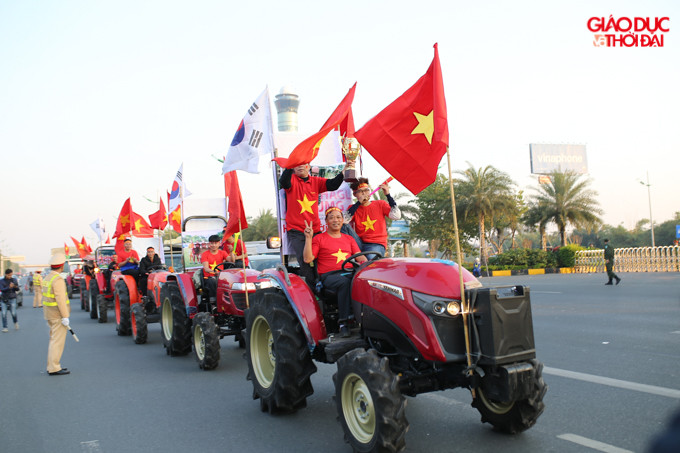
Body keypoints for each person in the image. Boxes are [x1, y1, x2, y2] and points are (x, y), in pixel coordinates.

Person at [279, 162, 346, 286]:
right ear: (293, 168)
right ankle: (312, 292)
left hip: (315, 230)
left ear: (309, 167)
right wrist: (289, 164)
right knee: (304, 262)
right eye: (296, 164)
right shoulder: (291, 180)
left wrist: (344, 171)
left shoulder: (316, 181)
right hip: (296, 230)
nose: (300, 166)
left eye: (303, 164)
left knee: (320, 260)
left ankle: (324, 287)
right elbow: (283, 182)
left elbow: (333, 185)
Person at [304, 207, 366, 337]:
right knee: (345, 282)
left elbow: (360, 257)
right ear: (326, 221)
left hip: (349, 272)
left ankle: (366, 319)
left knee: (364, 280)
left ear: (343, 220)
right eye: (331, 217)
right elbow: (308, 258)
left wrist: (371, 266)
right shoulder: (319, 239)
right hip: (329, 277)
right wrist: (309, 238)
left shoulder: (349, 239)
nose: (335, 220)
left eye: (338, 217)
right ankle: (344, 322)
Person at [346, 177, 401, 260]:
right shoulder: (353, 208)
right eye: (360, 191)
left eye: (366, 190)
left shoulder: (380, 204)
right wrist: (358, 203)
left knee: (370, 261)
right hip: (358, 243)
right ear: (355, 194)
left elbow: (396, 216)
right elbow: (344, 221)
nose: (364, 194)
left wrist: (388, 195)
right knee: (342, 224)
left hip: (376, 243)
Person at [42, 253, 71, 375]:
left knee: (53, 340)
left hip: (49, 314)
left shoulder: (48, 277)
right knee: (57, 342)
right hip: (57, 315)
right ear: (61, 266)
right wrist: (65, 316)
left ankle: (52, 366)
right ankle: (54, 367)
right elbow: (60, 300)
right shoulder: (58, 279)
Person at [200, 235, 230, 303]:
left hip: (221, 277)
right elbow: (206, 268)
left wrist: (231, 252)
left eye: (216, 243)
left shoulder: (223, 252)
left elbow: (231, 260)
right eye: (212, 243)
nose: (214, 245)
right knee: (213, 281)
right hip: (209, 277)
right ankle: (213, 301)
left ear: (219, 244)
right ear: (209, 244)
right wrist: (215, 272)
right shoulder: (205, 254)